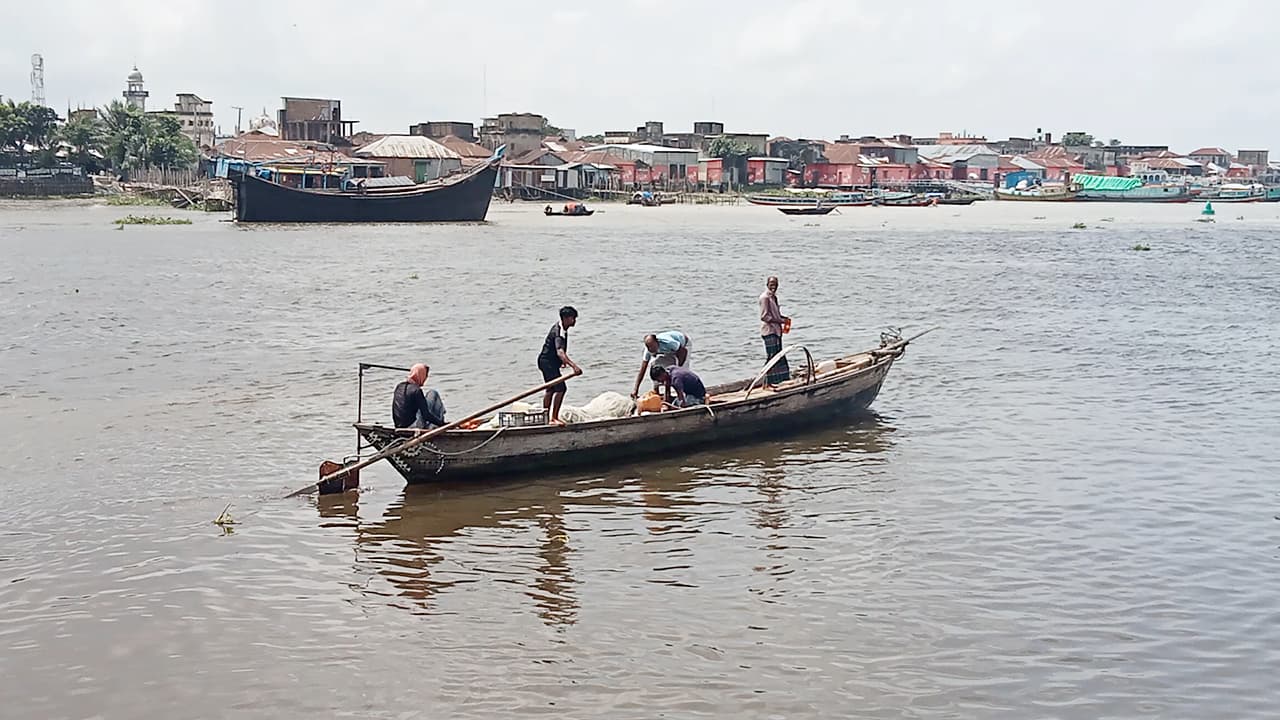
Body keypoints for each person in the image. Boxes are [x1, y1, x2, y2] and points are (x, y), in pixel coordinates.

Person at [537, 306, 581, 425]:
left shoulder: (562, 329)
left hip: (546, 361)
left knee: (550, 389)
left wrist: (561, 362)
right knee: (561, 388)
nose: (574, 321)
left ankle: (546, 418)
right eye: (573, 318)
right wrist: (573, 366)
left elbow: (559, 352)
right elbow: (560, 351)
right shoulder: (559, 331)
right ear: (566, 318)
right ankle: (553, 418)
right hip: (547, 362)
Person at [630, 330, 692, 399]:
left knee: (680, 373)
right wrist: (636, 390)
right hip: (669, 351)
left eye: (652, 347)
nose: (651, 349)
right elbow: (642, 369)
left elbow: (683, 352)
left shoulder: (669, 343)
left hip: (684, 345)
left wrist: (677, 369)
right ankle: (657, 392)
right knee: (655, 368)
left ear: (657, 342)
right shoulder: (648, 351)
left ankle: (684, 395)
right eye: (648, 347)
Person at [391, 363, 447, 430]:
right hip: (413, 426)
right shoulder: (417, 390)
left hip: (399, 426)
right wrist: (442, 424)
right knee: (433, 393)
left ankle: (435, 423)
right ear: (421, 375)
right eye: (425, 376)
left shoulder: (399, 386)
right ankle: (438, 423)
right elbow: (426, 415)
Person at [759, 276, 791, 386]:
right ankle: (767, 382)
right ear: (767, 284)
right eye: (771, 284)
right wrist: (780, 320)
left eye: (775, 284)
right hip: (769, 331)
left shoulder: (773, 297)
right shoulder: (765, 298)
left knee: (779, 356)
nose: (774, 286)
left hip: (776, 331)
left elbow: (774, 314)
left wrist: (783, 318)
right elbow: (764, 317)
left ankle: (781, 380)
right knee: (772, 357)